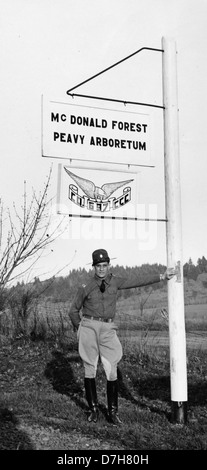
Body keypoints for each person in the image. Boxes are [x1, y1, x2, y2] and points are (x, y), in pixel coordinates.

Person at [69, 248, 175, 425]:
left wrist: (162, 276)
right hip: (88, 327)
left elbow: (137, 280)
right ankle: (93, 410)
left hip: (108, 328)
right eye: (98, 266)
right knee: (90, 368)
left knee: (112, 368)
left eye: (104, 265)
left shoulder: (115, 281)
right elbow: (73, 310)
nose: (102, 269)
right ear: (93, 266)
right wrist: (80, 328)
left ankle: (112, 412)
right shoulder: (85, 287)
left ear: (108, 265)